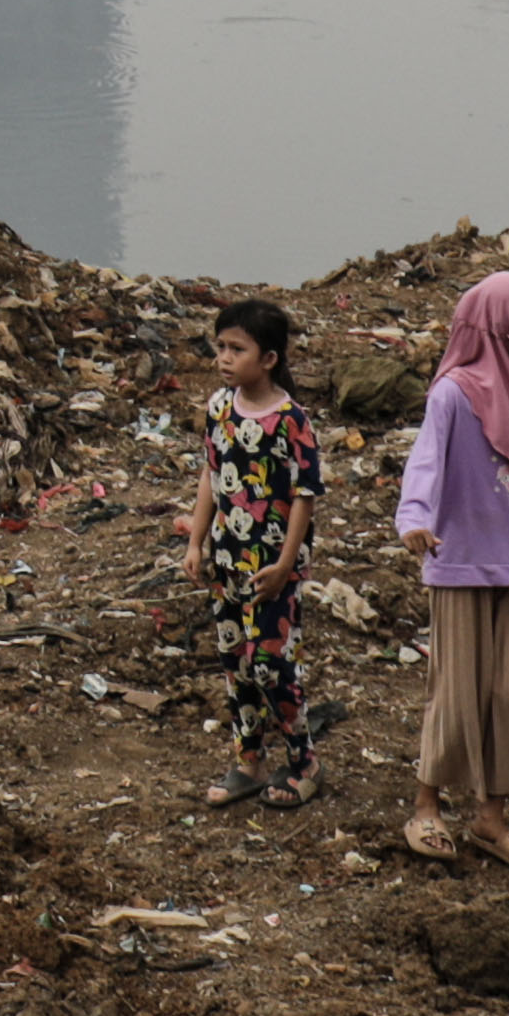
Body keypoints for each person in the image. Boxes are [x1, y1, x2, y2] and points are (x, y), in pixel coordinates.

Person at [397, 268, 509, 870]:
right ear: (502, 328)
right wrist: (413, 520)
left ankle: (490, 818)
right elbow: (425, 463)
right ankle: (427, 806)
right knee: (455, 690)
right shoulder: (454, 392)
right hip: (461, 562)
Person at [185, 299, 324, 810]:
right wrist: (196, 542)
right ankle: (249, 761)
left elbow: (305, 496)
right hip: (226, 561)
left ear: (267, 359)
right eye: (220, 346)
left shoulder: (292, 420)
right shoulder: (220, 407)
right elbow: (210, 473)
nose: (224, 357)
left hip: (271, 567)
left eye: (236, 349)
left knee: (271, 663)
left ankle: (304, 761)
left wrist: (287, 563)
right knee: (235, 663)